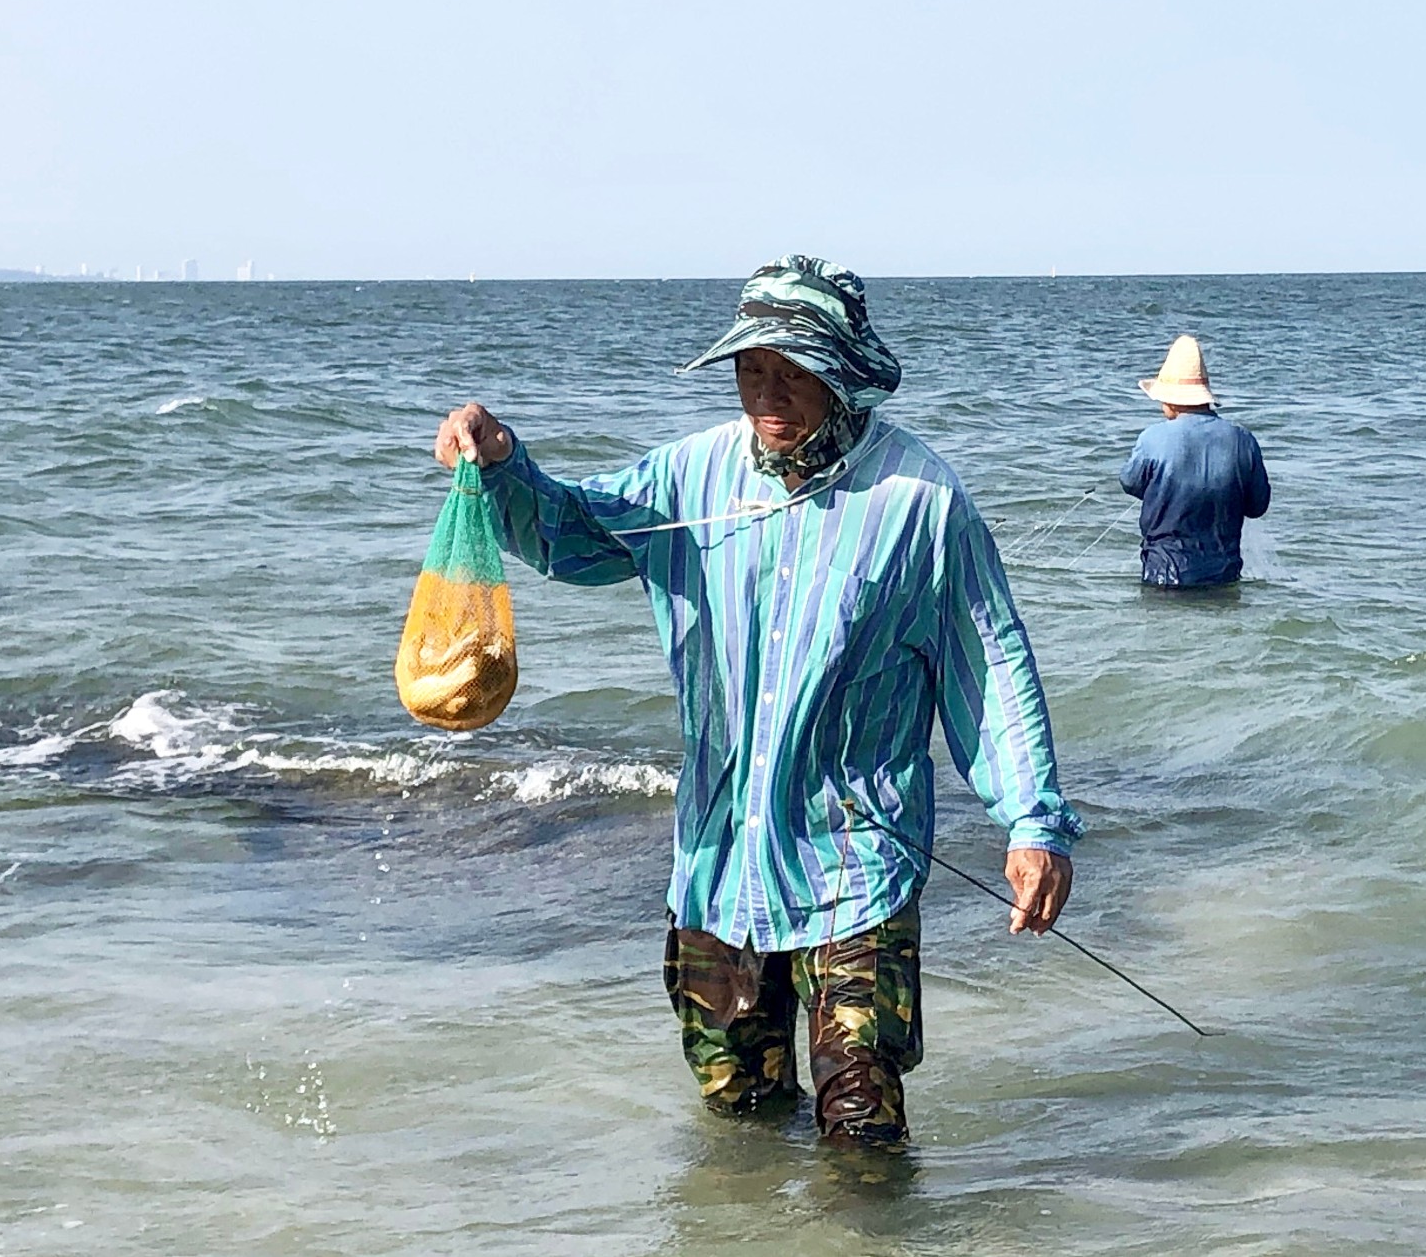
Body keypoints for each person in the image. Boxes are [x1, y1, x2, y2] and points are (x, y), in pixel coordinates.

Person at [430, 255, 1082, 1147]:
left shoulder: (920, 502)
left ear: (844, 373)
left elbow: (989, 665)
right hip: (717, 866)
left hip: (858, 868)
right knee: (736, 1130)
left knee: (862, 1135)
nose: (768, 395)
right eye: (751, 371)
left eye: (793, 372)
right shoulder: (689, 477)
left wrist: (1033, 822)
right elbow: (572, 533)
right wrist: (503, 462)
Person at [1119, 334, 1271, 588]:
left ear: (1172, 400)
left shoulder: (1153, 438)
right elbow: (1258, 506)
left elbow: (1130, 482)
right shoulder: (1243, 440)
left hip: (1164, 574)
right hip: (1225, 575)